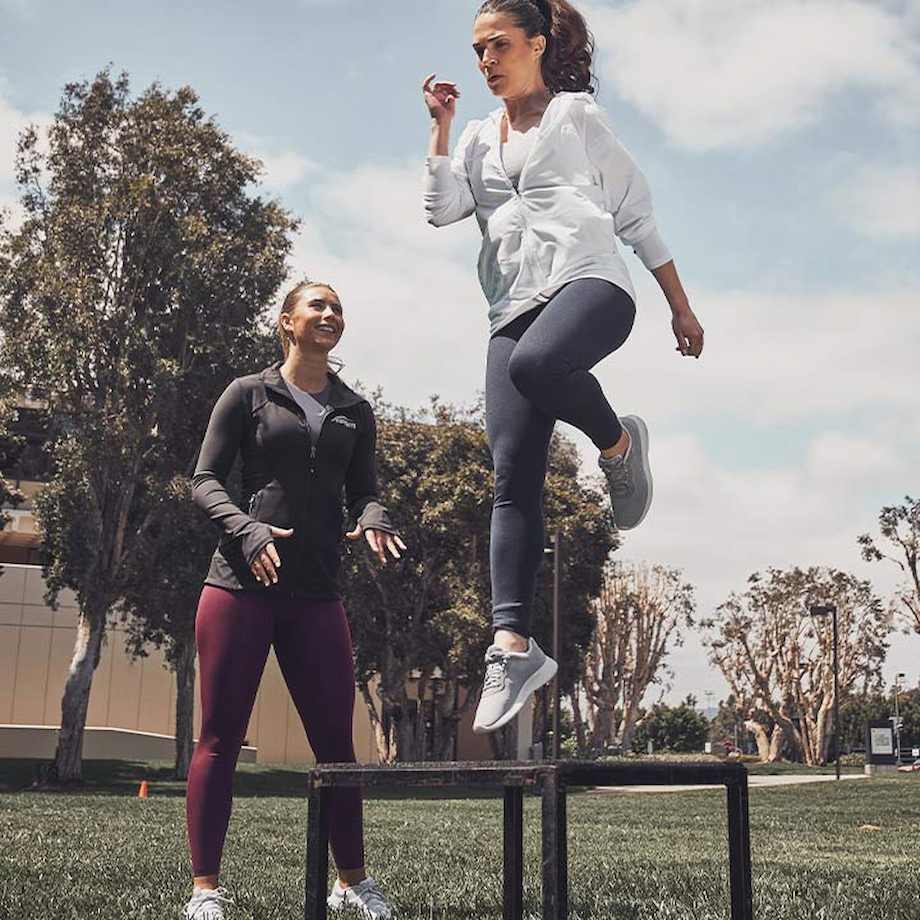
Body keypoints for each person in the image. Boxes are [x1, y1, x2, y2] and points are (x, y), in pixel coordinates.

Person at [421, 0, 704, 735]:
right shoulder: (480, 137)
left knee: (540, 365)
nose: (485, 60)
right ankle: (512, 646)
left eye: (499, 45)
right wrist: (442, 129)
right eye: (477, 49)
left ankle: (617, 444)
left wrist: (680, 305)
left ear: (538, 44)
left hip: (591, 285)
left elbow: (636, 211)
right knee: (509, 477)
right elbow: (442, 208)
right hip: (509, 308)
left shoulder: (576, 118)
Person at [183, 280, 406, 920]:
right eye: (319, 306)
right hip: (237, 587)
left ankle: (353, 883)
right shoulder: (248, 394)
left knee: (336, 741)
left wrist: (374, 517)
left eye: (338, 307)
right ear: (287, 321)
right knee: (220, 737)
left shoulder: (354, 409)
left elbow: (364, 489)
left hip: (316, 592)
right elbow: (203, 480)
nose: (332, 314)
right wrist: (247, 528)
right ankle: (204, 890)